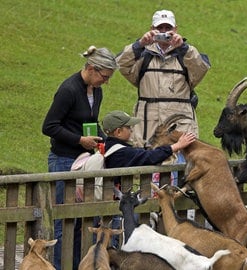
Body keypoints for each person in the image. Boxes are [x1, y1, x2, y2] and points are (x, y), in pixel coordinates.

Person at [42, 45, 118, 270]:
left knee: (80, 221)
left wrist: (107, 142)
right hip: (64, 159)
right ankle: (60, 266)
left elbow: (92, 122)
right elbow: (49, 126)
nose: (105, 82)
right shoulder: (68, 90)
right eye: (104, 77)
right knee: (63, 220)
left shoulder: (97, 91)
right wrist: (79, 140)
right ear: (93, 69)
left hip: (85, 159)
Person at [116, 9, 210, 148]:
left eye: (168, 28)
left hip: (180, 129)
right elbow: (120, 64)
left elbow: (201, 68)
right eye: (159, 28)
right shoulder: (143, 54)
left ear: (176, 29)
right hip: (147, 129)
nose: (164, 32)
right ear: (152, 29)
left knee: (179, 167)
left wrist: (183, 47)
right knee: (146, 167)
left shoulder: (186, 54)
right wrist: (140, 44)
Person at [101, 110, 196, 247]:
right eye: (129, 128)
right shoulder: (121, 153)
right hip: (120, 210)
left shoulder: (111, 147)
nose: (132, 130)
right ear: (118, 132)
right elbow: (148, 157)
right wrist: (176, 146)